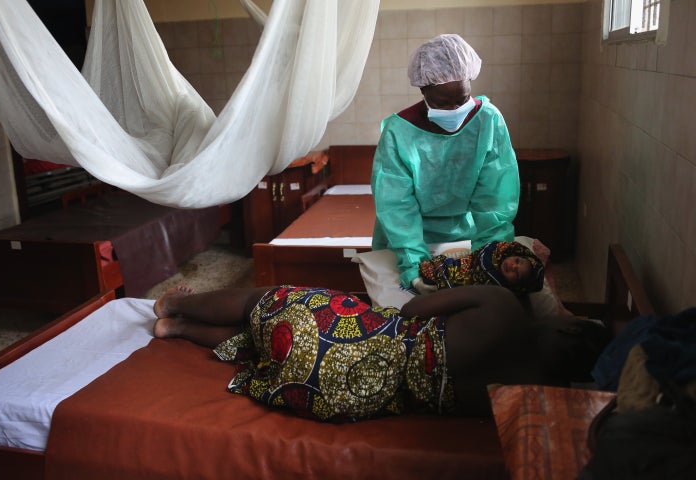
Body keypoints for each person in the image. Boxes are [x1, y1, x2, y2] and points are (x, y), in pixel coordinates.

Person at [152, 284, 608, 422]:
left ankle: (173, 306)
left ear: (569, 326)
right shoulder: (536, 400)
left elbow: (411, 309)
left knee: (265, 303)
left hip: (347, 339)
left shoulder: (502, 307)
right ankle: (178, 329)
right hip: (341, 395)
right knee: (269, 350)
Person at [370, 34, 519, 293]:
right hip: (406, 237)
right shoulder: (398, 132)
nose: (454, 110)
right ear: (423, 90)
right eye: (441, 103)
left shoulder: (487, 121)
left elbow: (494, 199)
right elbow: (396, 206)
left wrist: (492, 256)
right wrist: (413, 266)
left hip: (466, 231)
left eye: (462, 100)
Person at [418, 240, 545, 295]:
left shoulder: (497, 291)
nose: (512, 266)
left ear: (516, 286)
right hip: (453, 263)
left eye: (516, 273)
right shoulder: (494, 252)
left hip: (453, 281)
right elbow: (483, 254)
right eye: (517, 260)